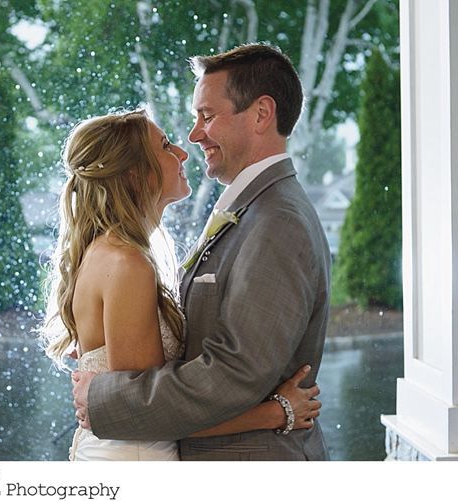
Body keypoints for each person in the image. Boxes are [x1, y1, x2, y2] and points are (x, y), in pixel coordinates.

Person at [70, 43, 331, 460]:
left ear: (262, 114)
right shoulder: (248, 210)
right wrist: (276, 410)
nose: (192, 137)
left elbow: (235, 374)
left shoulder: (277, 220)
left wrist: (104, 400)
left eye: (206, 116)